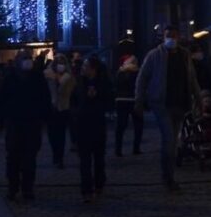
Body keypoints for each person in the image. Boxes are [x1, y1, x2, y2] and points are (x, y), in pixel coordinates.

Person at [135, 25, 202, 192]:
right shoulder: (154, 56)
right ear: (163, 37)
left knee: (172, 140)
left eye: (173, 35)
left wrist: (198, 98)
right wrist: (139, 100)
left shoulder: (184, 55)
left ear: (178, 37)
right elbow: (142, 78)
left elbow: (192, 78)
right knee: (169, 139)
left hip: (180, 103)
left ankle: (168, 176)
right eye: (167, 36)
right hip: (162, 104)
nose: (171, 39)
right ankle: (168, 177)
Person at [0, 51, 50, 202]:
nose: (28, 62)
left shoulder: (37, 77)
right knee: (13, 157)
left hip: (32, 123)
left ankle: (28, 188)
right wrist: (5, 117)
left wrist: (42, 116)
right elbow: (2, 99)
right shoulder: (10, 78)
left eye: (29, 59)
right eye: (25, 59)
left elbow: (44, 98)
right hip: (15, 123)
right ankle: (12, 187)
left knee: (30, 158)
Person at [74, 57, 112, 202]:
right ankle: (86, 189)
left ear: (93, 68)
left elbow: (108, 99)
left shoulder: (103, 82)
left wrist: (98, 96)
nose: (83, 68)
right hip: (82, 124)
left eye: (86, 66)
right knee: (84, 160)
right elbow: (75, 100)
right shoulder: (80, 82)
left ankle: (99, 184)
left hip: (97, 123)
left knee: (98, 158)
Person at [43, 54, 75, 168]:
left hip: (63, 107)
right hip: (51, 108)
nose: (60, 65)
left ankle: (59, 158)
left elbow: (71, 93)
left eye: (62, 62)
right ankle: (55, 154)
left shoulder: (69, 77)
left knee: (61, 134)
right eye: (58, 62)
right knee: (52, 134)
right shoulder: (47, 75)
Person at [114, 55, 143, 156]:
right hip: (134, 100)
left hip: (121, 100)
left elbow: (117, 85)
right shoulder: (138, 72)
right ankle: (136, 148)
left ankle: (118, 149)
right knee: (138, 125)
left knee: (121, 126)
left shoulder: (120, 72)